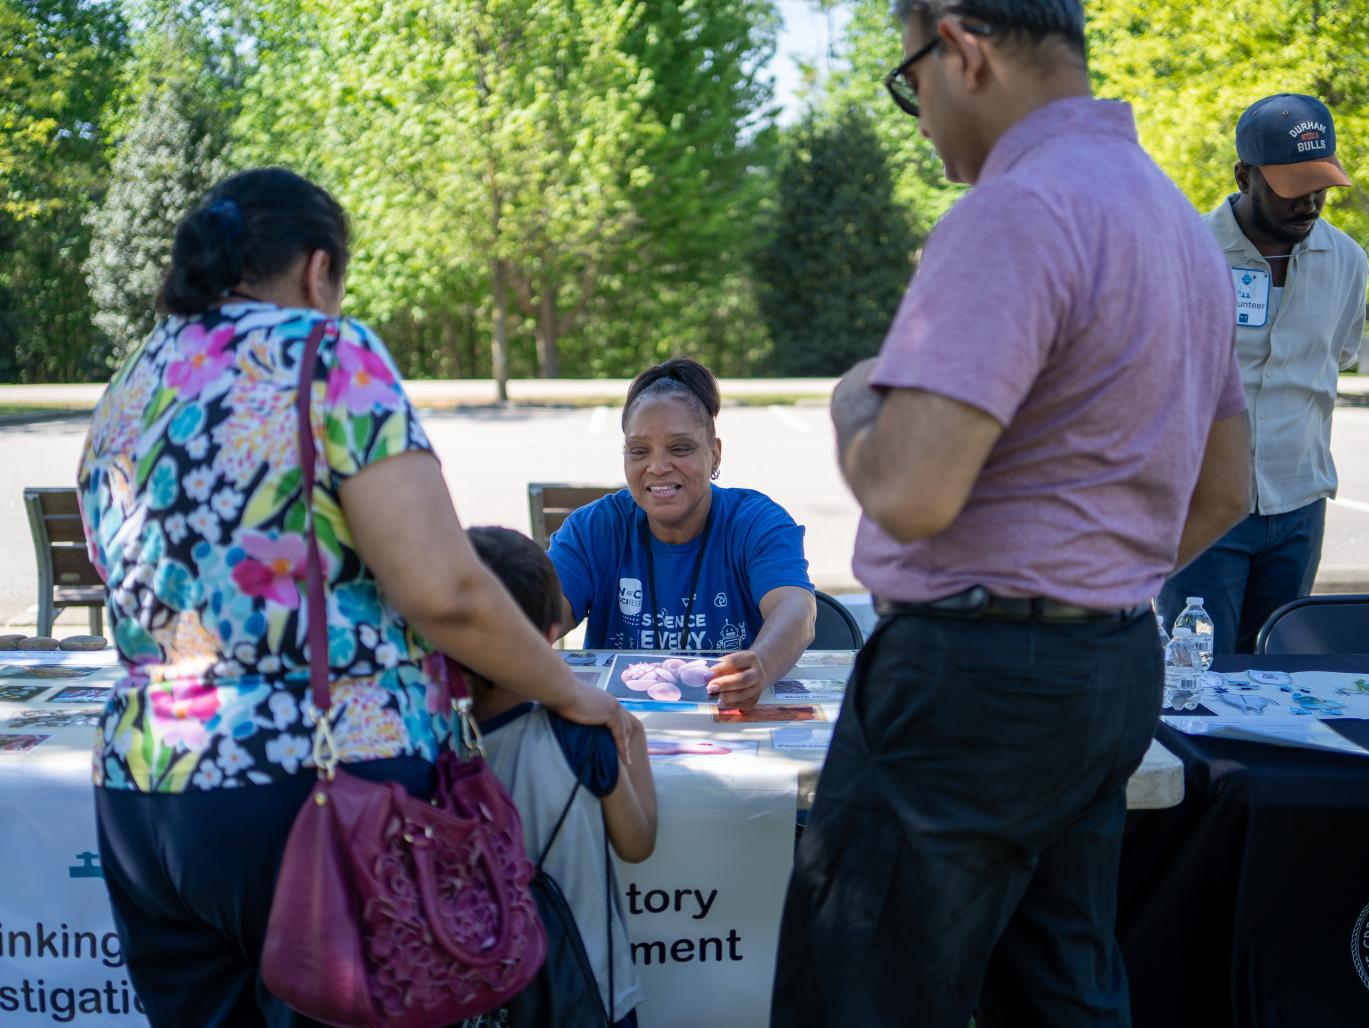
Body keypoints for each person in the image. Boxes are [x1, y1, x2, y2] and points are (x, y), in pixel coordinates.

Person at [772, 2, 1251, 1026]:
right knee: (1060, 992)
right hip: (1109, 667)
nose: (917, 117)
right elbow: (1226, 491)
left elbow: (909, 490)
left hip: (968, 678)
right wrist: (1086, 584)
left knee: (863, 993)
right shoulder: (1175, 221)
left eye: (909, 82)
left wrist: (857, 395)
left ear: (960, 49)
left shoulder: (1012, 209)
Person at [76, 168, 632, 1027]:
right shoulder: (326, 353)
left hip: (142, 787)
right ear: (318, 269)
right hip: (316, 785)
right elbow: (445, 591)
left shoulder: (130, 384)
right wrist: (572, 692)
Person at [1158, 94, 1368, 653]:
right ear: (1244, 176)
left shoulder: (1349, 261)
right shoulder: (1183, 253)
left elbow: (1338, 354)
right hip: (1203, 507)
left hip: (1300, 506)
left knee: (1282, 673)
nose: (1310, 202)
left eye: (1320, 185)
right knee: (1198, 672)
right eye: (1292, 187)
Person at [466, 526, 656, 1028]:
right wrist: (631, 733)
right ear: (553, 632)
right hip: (590, 991)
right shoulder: (581, 736)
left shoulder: (425, 740)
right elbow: (637, 842)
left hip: (472, 997)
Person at [548, 357, 816, 709]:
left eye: (680, 448)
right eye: (639, 451)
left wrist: (762, 663)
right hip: (619, 726)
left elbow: (797, 610)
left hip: (730, 718)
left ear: (714, 454)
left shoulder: (755, 522)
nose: (658, 467)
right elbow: (538, 617)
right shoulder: (593, 529)